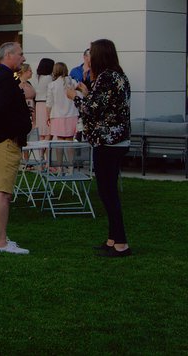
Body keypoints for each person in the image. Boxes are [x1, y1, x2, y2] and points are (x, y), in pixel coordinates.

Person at [67, 39, 132, 258]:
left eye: (91, 53)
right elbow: (103, 104)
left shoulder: (106, 77)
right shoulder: (119, 76)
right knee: (107, 190)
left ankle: (121, 243)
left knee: (108, 192)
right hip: (118, 140)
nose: (88, 57)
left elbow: (92, 110)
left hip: (108, 141)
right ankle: (112, 239)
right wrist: (86, 92)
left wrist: (75, 97)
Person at [0, 42, 32, 255]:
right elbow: (1, 110)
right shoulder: (4, 79)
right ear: (8, 55)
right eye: (20, 54)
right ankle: (1, 242)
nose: (23, 57)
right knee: (2, 193)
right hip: (4, 142)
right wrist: (19, 127)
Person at [46, 62, 79, 140]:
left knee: (59, 141)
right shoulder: (73, 82)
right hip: (72, 115)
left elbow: (49, 104)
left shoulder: (52, 85)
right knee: (70, 140)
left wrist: (48, 116)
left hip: (57, 115)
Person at [32, 58, 54, 141]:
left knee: (41, 131)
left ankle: (41, 153)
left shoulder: (37, 77)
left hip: (38, 104)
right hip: (46, 104)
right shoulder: (49, 78)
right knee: (48, 130)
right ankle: (46, 152)